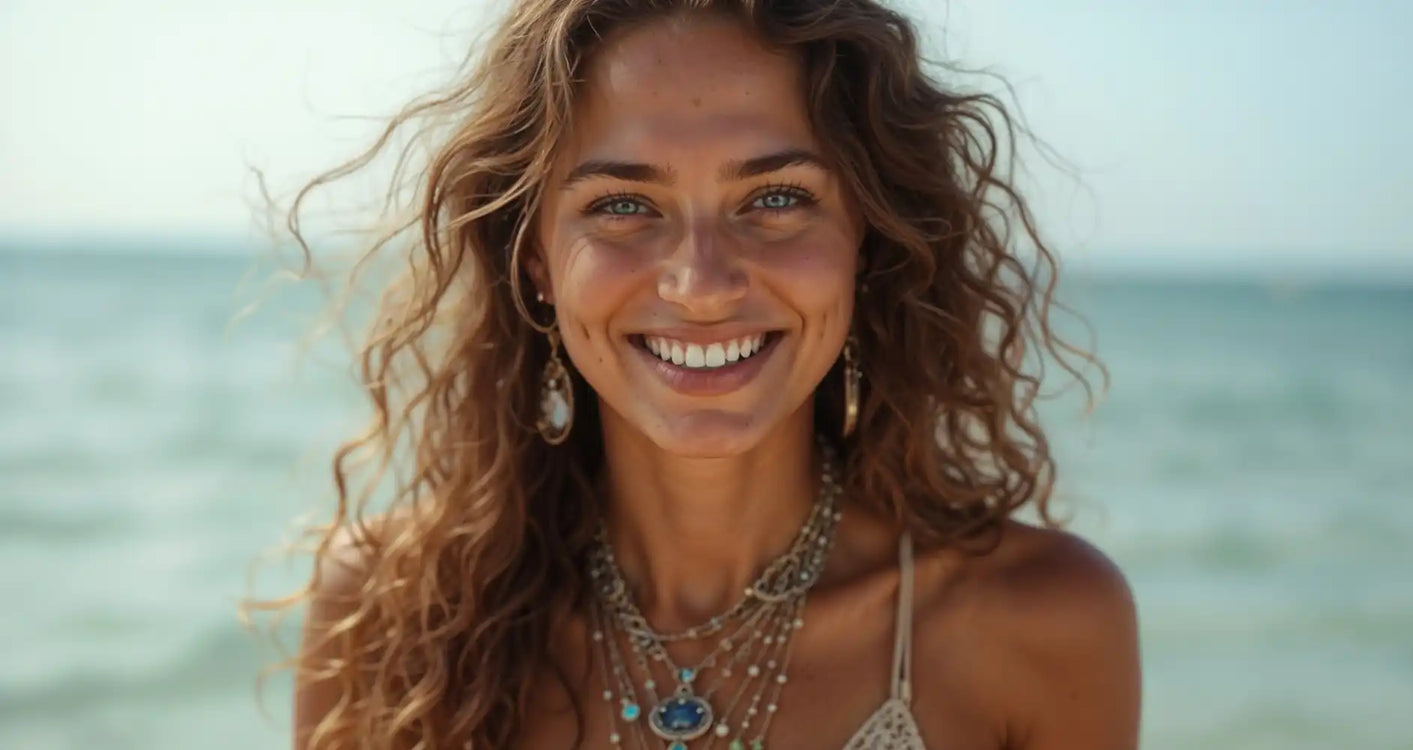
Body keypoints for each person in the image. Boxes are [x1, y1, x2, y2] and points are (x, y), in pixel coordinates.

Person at [278, 1, 1140, 748]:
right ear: (534, 258)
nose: (700, 286)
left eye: (774, 199)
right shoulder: (392, 616)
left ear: (864, 241)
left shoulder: (1043, 626)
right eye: (622, 205)